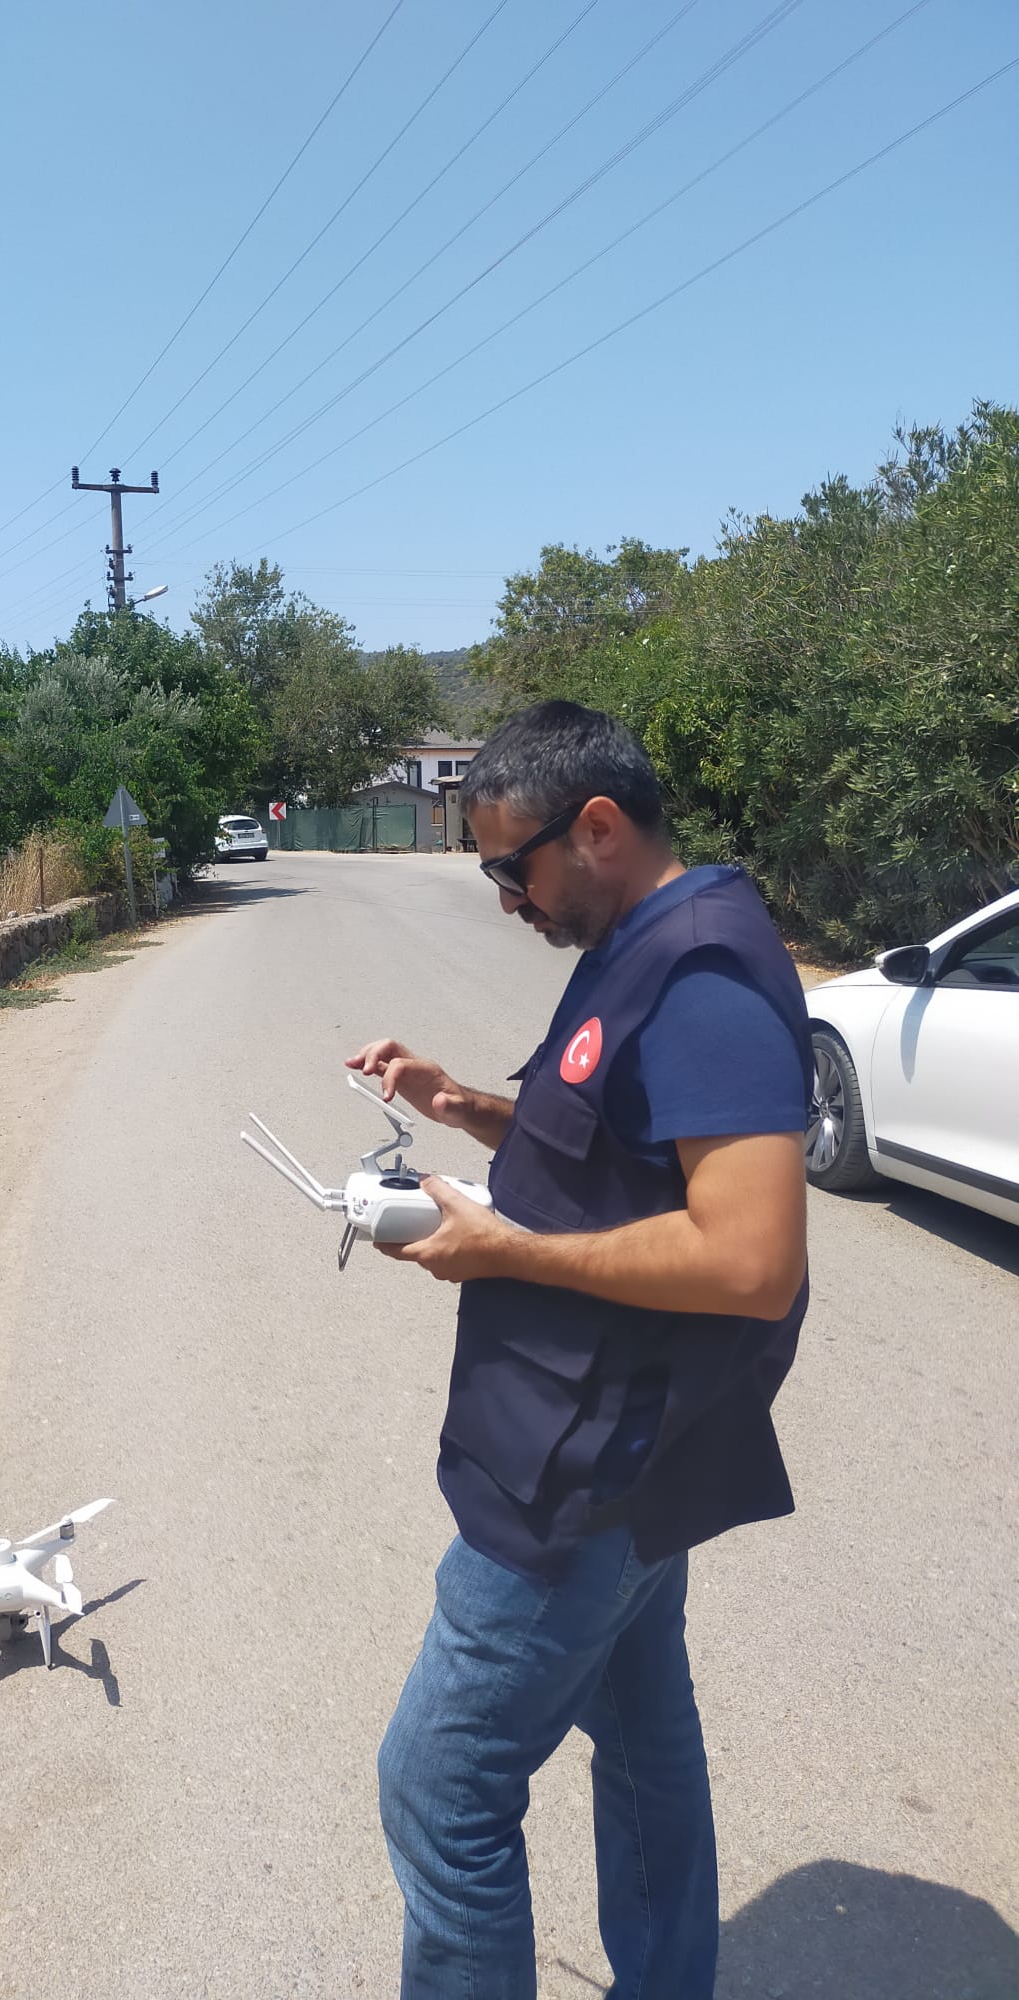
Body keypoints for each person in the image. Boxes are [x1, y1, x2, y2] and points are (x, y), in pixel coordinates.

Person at [347, 701, 812, 2000]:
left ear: (596, 827)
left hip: (583, 1473)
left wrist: (505, 1252)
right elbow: (609, 1154)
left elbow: (749, 1254)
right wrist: (463, 1104)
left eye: (513, 866)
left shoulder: (705, 973)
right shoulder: (635, 944)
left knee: (437, 1791)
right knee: (647, 1747)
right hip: (623, 1454)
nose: (504, 897)